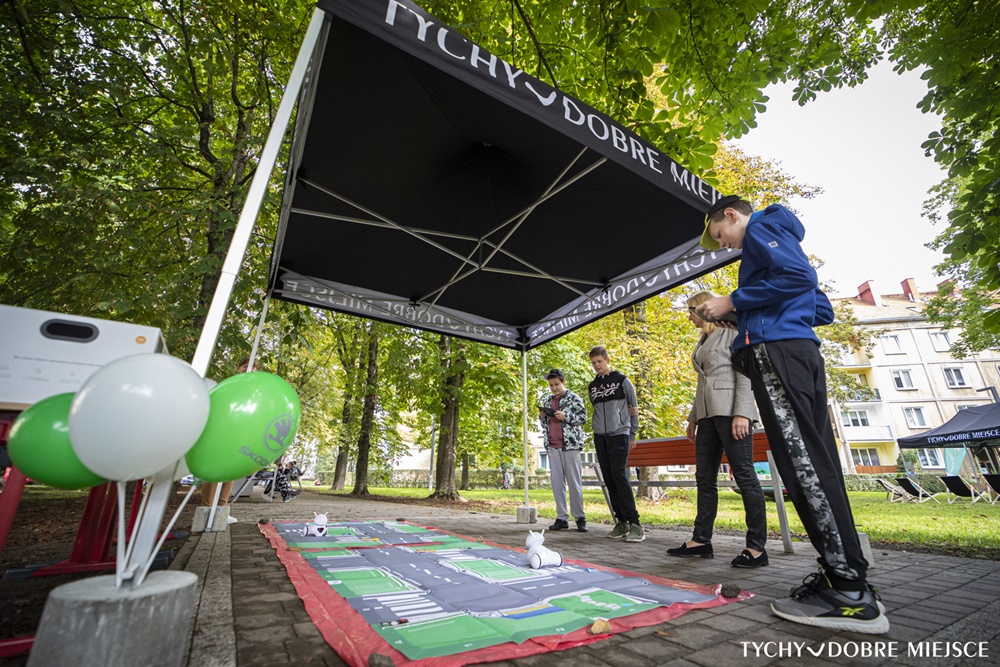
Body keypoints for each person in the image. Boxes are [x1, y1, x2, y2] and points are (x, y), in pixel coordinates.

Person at [697, 195, 888, 634]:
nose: (723, 244)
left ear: (732, 215)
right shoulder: (780, 234)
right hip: (798, 351)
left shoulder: (761, 227)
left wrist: (734, 300)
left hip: (777, 355)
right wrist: (748, 315)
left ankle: (849, 591)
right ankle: (845, 573)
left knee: (802, 466)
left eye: (720, 234)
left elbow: (801, 277)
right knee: (817, 463)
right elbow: (820, 307)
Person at [667, 291, 767, 568]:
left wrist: (742, 412)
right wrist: (693, 417)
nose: (689, 318)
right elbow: (703, 381)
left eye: (690, 311)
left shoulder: (732, 331)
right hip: (707, 415)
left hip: (731, 411)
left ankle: (756, 547)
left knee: (745, 476)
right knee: (704, 478)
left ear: (701, 309)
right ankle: (701, 540)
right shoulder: (703, 340)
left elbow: (745, 372)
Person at [587, 346, 643, 543]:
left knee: (619, 476)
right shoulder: (592, 386)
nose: (596, 365)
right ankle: (621, 522)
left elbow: (634, 408)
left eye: (599, 361)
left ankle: (635, 524)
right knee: (609, 478)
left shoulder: (622, 380)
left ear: (607, 360)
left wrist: (632, 433)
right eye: (593, 363)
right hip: (600, 436)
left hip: (620, 434)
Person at [200, 356, 254, 522]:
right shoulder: (230, 385)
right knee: (214, 473)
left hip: (239, 434)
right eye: (245, 366)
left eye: (252, 367)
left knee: (229, 475)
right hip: (223, 432)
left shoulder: (254, 390)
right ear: (239, 368)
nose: (249, 369)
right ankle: (206, 511)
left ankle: (221, 512)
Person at [538, 369, 588, 532]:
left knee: (574, 482)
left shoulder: (574, 398)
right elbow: (545, 425)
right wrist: (542, 417)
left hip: (570, 445)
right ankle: (561, 518)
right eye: (551, 385)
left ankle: (580, 517)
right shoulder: (548, 399)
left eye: (556, 384)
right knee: (557, 483)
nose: (554, 388)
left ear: (563, 382)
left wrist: (566, 416)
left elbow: (583, 418)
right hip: (553, 446)